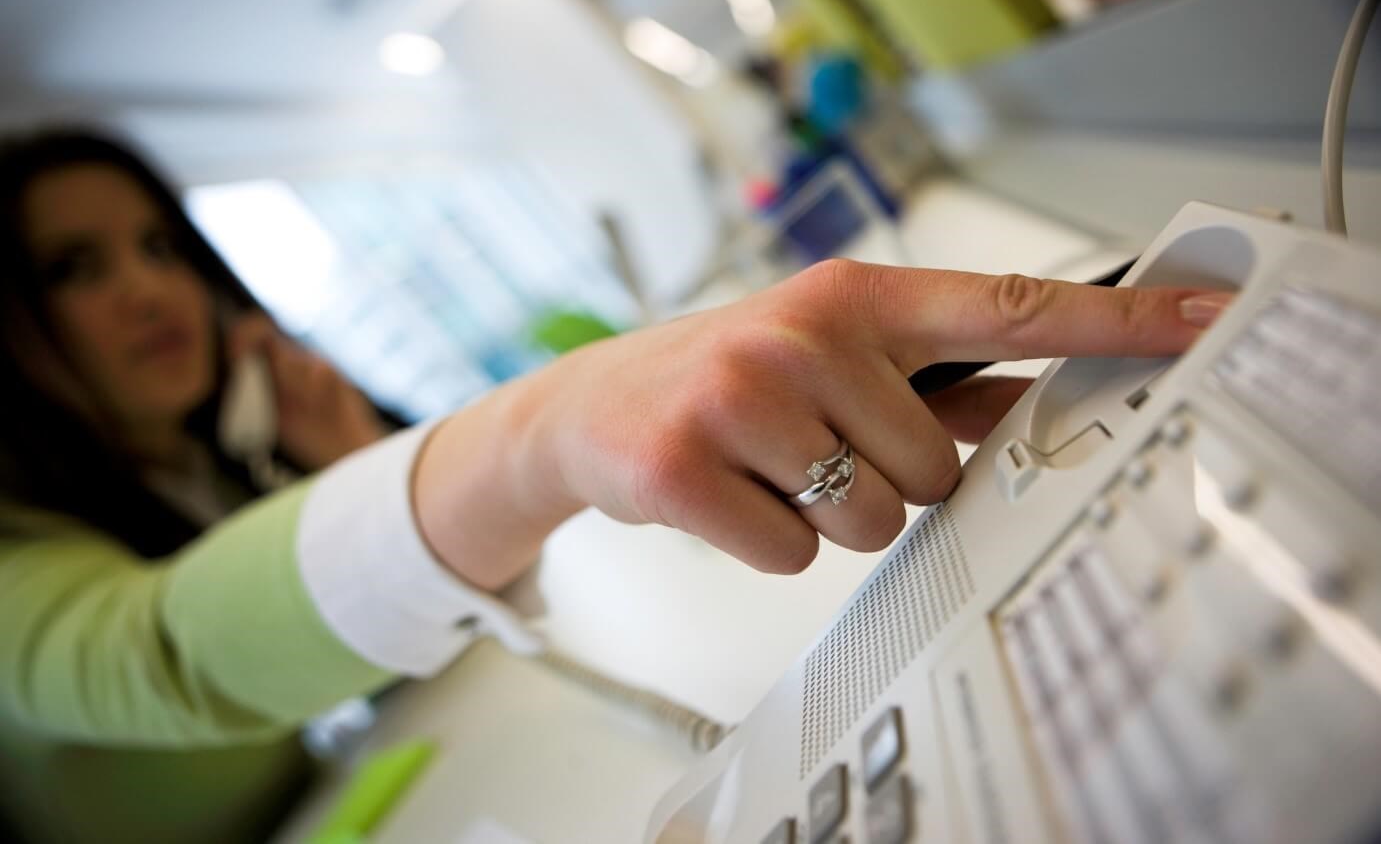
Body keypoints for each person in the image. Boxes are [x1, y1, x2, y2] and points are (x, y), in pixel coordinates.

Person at [0, 127, 1231, 843]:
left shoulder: (212, 462)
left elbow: (398, 646)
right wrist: (544, 425)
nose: (148, 289)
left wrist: (338, 477)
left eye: (159, 245)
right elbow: (158, 658)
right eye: (74, 268)